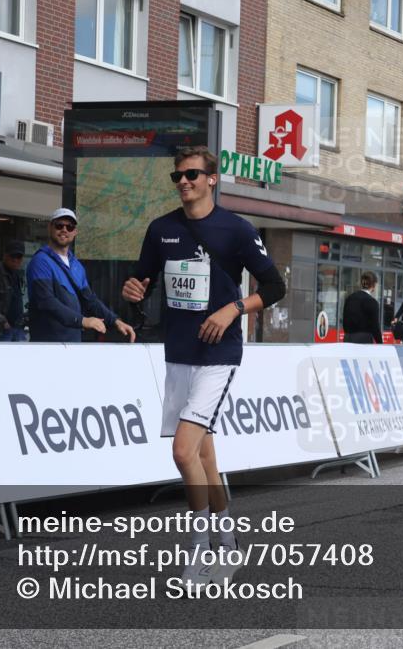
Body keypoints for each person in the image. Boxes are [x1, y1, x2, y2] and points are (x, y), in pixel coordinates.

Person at [121, 146, 286, 588]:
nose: (183, 182)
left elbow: (274, 286)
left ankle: (200, 554)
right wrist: (134, 289)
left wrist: (233, 309)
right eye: (177, 176)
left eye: (192, 174)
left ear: (212, 178)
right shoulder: (162, 229)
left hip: (218, 354)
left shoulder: (235, 229)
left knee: (182, 451)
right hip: (178, 353)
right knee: (206, 458)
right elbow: (143, 279)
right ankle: (229, 543)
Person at [26, 208, 135, 343]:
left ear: (75, 232)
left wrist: (116, 321)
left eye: (70, 227)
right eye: (59, 225)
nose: (64, 229)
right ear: (50, 228)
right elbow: (46, 302)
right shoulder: (40, 261)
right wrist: (83, 320)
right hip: (48, 344)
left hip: (73, 343)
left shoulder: (76, 265)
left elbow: (91, 300)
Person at [342, 272, 382, 344]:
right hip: (364, 340)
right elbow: (375, 326)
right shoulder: (372, 302)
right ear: (374, 285)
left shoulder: (349, 298)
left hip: (348, 338)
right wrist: (380, 343)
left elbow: (345, 320)